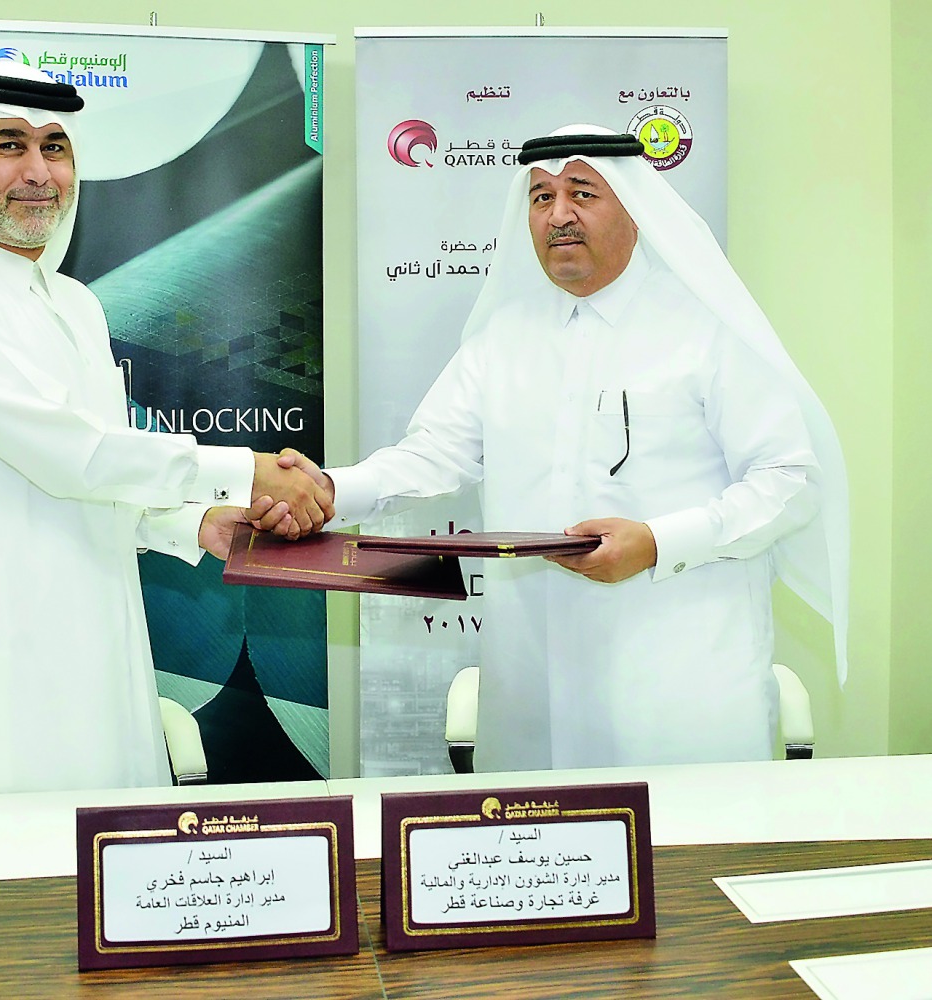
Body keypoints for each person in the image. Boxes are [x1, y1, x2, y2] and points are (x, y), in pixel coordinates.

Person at [0, 61, 332, 797]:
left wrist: (194, 525)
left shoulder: (73, 303)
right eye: (9, 145)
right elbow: (65, 454)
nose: (38, 172)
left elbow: (93, 480)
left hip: (96, 634)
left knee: (101, 869)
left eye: (55, 148)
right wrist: (246, 469)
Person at [284, 124, 849, 772]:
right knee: (539, 857)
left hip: (678, 688)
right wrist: (329, 490)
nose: (558, 215)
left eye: (581, 193)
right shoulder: (506, 337)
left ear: (634, 207)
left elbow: (790, 482)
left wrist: (659, 541)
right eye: (540, 197)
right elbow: (433, 451)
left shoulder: (705, 330)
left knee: (683, 866)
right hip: (532, 685)